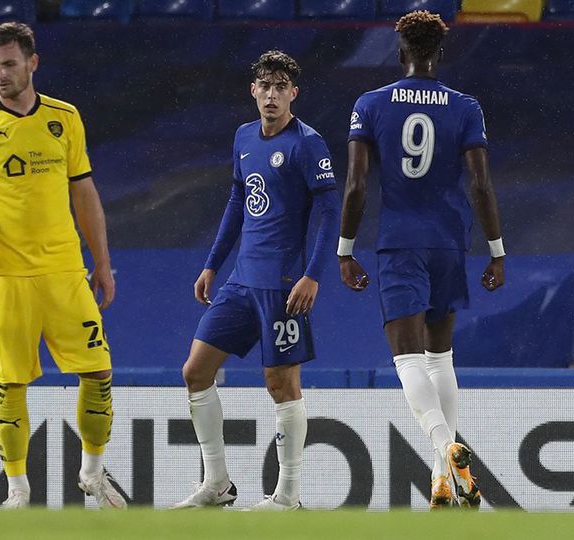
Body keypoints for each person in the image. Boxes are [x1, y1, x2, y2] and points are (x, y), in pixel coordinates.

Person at [0, 22, 124, 509]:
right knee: (10, 382)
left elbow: (84, 193)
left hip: (66, 273)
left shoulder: (64, 118)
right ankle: (18, 491)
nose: (0, 74)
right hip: (7, 277)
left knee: (99, 370)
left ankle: (91, 472)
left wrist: (102, 263)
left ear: (33, 63)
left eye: (8, 64)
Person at [338, 10, 505, 509]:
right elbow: (480, 184)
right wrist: (496, 251)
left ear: (400, 52)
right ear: (440, 53)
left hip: (400, 242)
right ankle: (441, 480)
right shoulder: (466, 107)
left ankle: (444, 446)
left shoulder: (370, 105)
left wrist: (345, 250)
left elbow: (357, 185)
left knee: (408, 358)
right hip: (450, 242)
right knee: (441, 358)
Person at [172, 50, 340, 511]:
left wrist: (312, 276)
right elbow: (236, 201)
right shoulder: (244, 137)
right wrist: (212, 264)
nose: (271, 94)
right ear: (253, 90)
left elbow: (329, 212)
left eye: (280, 87)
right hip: (241, 282)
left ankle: (287, 496)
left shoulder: (308, 144)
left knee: (280, 384)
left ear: (293, 94)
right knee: (195, 371)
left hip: (283, 284)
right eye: (264, 85)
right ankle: (218, 484)